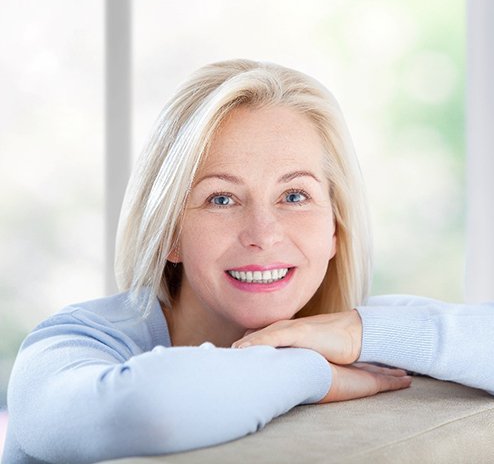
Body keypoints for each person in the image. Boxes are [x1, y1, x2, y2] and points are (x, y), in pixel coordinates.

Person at [3, 59, 493, 464]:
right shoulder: (69, 343)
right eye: (221, 199)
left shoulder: (349, 331)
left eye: (295, 195)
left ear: (335, 230)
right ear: (169, 234)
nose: (262, 234)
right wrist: (313, 371)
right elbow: (147, 409)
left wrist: (356, 335)